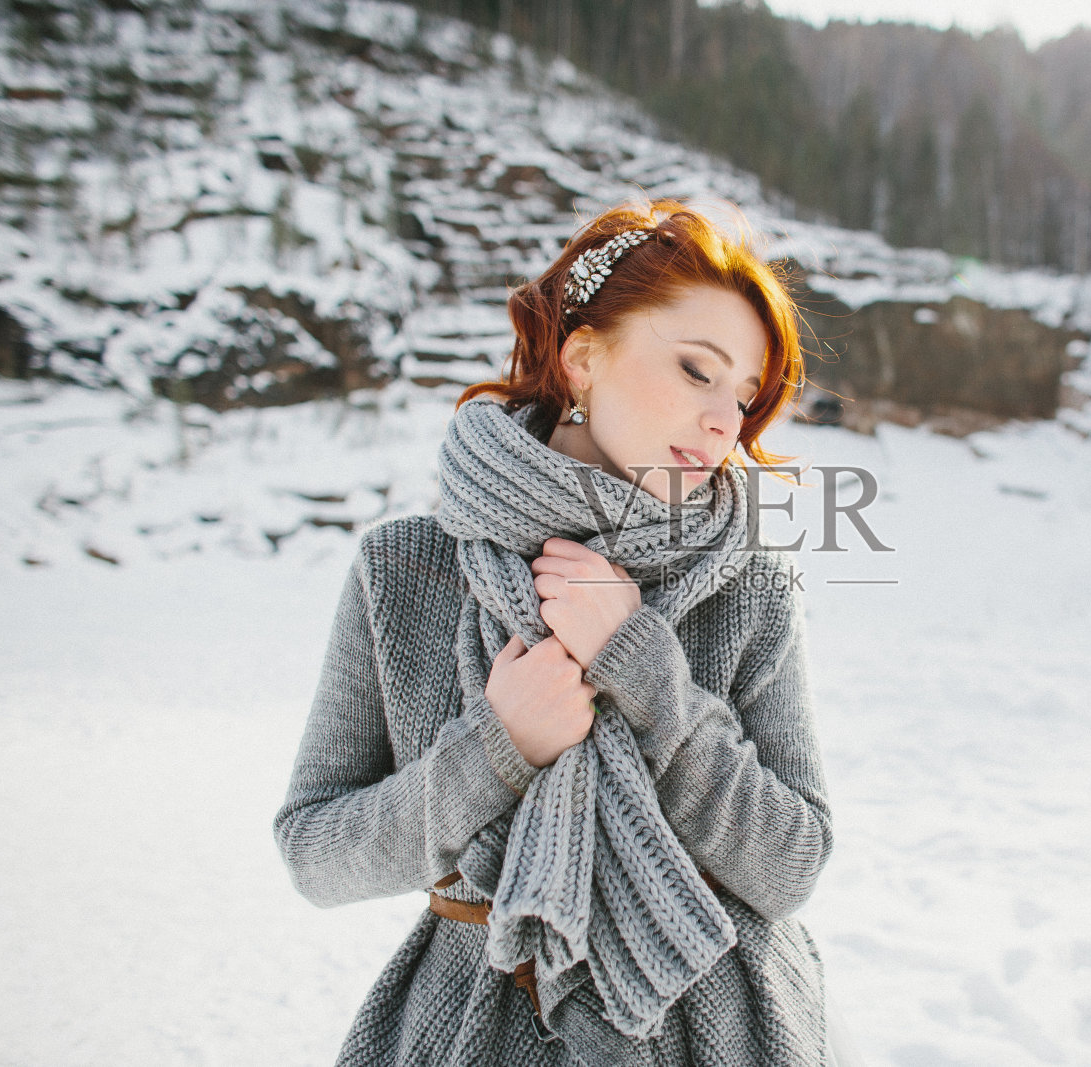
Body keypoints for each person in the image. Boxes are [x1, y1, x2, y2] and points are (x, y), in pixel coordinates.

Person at [273, 199, 835, 1065]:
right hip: (471, 1029)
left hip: (714, 1033)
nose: (727, 422)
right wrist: (497, 750)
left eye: (745, 396)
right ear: (582, 359)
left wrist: (651, 680)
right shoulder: (407, 570)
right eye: (696, 370)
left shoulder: (750, 584)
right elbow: (315, 851)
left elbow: (791, 864)